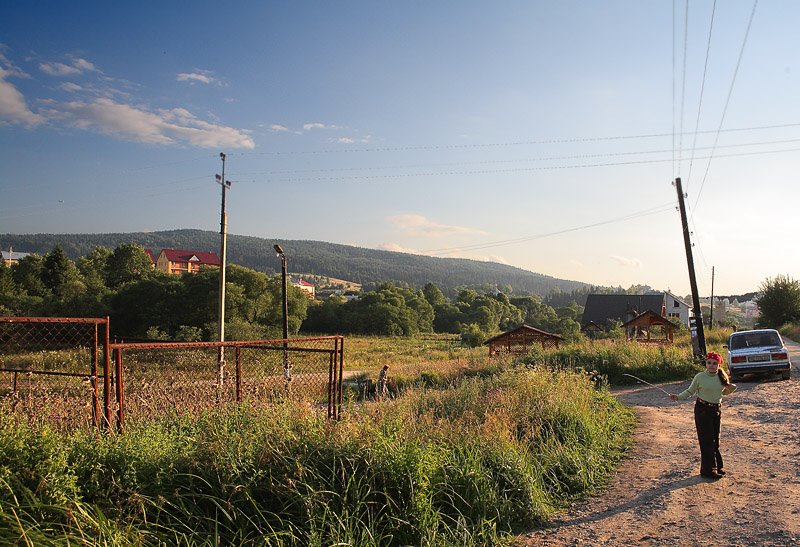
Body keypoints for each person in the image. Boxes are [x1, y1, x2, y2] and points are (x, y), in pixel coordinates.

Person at [669, 351, 737, 479]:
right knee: (706, 440)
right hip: (702, 410)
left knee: (715, 440)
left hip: (716, 410)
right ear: (706, 363)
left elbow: (723, 393)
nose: (711, 366)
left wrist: (731, 387)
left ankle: (717, 467)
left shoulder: (721, 376)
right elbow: (690, 391)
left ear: (719, 364)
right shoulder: (700, 377)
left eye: (714, 363)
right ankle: (707, 470)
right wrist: (678, 397)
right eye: (709, 363)